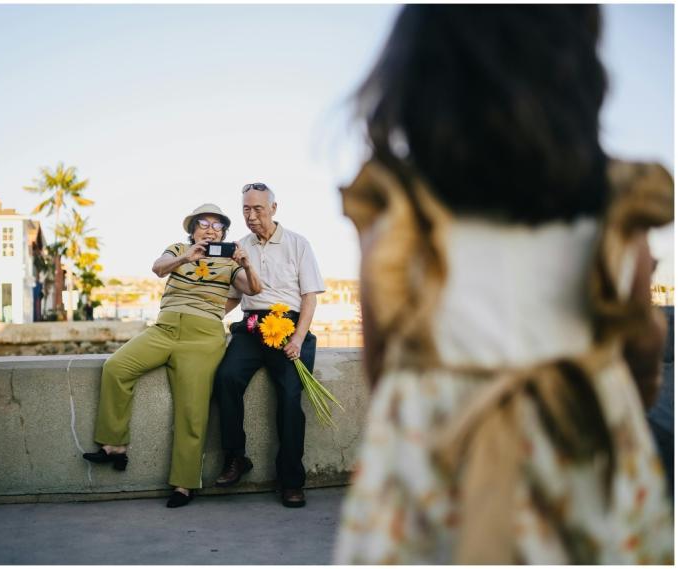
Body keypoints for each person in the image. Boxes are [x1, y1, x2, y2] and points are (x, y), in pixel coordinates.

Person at [334, 5, 674, 564]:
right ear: (577, 82)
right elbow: (643, 343)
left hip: (435, 470)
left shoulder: (397, 213)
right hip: (584, 457)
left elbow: (383, 359)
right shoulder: (617, 206)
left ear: (418, 85)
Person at [83, 203, 261, 508]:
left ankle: (184, 483)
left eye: (217, 225)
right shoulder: (178, 248)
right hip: (164, 328)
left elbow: (254, 290)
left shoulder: (230, 261)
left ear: (224, 233)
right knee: (116, 367)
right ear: (192, 229)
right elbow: (158, 267)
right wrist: (185, 257)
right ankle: (114, 445)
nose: (210, 228)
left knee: (192, 410)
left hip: (203, 338)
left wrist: (246, 264)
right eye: (203, 223)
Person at [212, 183, 325, 508]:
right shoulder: (238, 247)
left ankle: (290, 480)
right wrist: (202, 318)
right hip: (249, 328)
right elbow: (233, 299)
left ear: (274, 208)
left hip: (289, 326)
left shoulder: (297, 243)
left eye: (258, 208)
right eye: (246, 209)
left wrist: (299, 339)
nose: (251, 215)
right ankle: (236, 458)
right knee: (226, 379)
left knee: (290, 397)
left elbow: (309, 297)